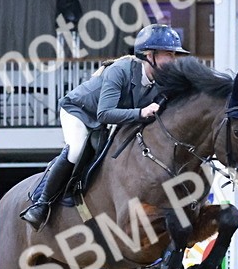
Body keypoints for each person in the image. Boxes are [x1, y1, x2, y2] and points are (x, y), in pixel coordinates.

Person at [19, 24, 189, 230]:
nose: (173, 60)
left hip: (111, 119)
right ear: (149, 55)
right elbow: (104, 113)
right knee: (77, 149)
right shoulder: (120, 71)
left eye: (174, 55)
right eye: (168, 55)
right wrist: (140, 113)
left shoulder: (161, 81)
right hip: (80, 112)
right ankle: (41, 203)